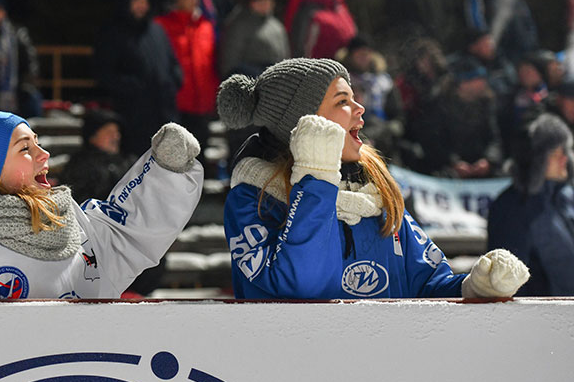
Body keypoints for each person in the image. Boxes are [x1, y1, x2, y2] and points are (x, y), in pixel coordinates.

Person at [217, 57, 529, 299]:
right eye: (342, 101)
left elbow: (427, 285)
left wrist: (474, 288)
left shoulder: (374, 190)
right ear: (304, 123)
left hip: (386, 373)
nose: (359, 108)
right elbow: (303, 285)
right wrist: (316, 176)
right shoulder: (253, 197)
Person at [0, 111, 203, 300]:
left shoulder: (69, 225)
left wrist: (166, 170)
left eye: (38, 143)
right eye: (25, 149)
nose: (44, 154)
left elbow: (123, 237)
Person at [93, 0, 182, 157]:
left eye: (145, 1)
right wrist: (132, 87)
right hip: (133, 116)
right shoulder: (112, 32)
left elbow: (172, 62)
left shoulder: (156, 30)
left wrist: (175, 81)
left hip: (164, 113)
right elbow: (103, 72)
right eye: (137, 1)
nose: (142, 5)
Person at [488, 113, 574, 295]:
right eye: (555, 154)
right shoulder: (512, 209)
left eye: (565, 151)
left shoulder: (564, 197)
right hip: (542, 317)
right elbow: (509, 284)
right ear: (536, 160)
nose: (564, 159)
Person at [155, 0, 220, 155]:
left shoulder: (205, 26)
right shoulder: (162, 25)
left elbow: (212, 61)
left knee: (200, 152)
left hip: (203, 102)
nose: (195, 0)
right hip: (177, 101)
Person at [415, 59, 503, 177]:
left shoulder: (486, 103)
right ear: (463, 83)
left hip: (482, 166)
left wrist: (488, 160)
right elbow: (433, 140)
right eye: (477, 79)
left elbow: (494, 137)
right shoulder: (439, 105)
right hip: (449, 169)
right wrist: (453, 162)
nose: (483, 83)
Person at [337, 35, 405, 164]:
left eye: (366, 54)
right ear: (351, 56)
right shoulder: (343, 80)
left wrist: (393, 127)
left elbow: (397, 114)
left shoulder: (383, 82)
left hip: (383, 134)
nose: (364, 58)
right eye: (359, 54)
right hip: (354, 131)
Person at [59, 109, 136, 202]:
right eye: (109, 132)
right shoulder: (79, 165)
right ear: (92, 137)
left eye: (117, 132)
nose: (116, 137)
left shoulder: (129, 161)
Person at [220, 0, 289, 79]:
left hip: (277, 81)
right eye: (259, 1)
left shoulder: (276, 25)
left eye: (267, 0)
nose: (264, 4)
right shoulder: (238, 25)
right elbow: (229, 60)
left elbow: (285, 55)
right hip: (251, 80)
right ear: (250, 3)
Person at [289, 0, 357, 59]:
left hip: (344, 67)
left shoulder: (339, 8)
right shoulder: (310, 12)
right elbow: (302, 46)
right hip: (320, 68)